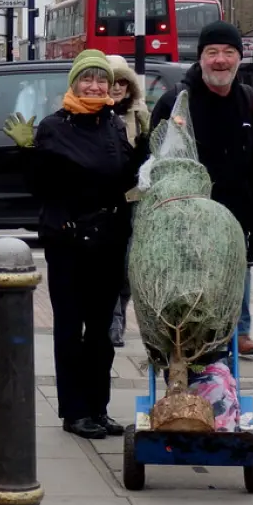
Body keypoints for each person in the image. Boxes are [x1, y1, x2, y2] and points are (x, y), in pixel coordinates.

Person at [3, 49, 148, 440]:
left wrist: (147, 145)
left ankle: (98, 408)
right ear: (74, 83)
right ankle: (74, 411)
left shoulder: (114, 126)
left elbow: (126, 179)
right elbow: (39, 187)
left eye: (102, 80)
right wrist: (26, 152)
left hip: (109, 238)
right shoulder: (54, 126)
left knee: (101, 330)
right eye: (88, 79)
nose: (96, 86)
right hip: (68, 239)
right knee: (70, 327)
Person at [150, 21, 253, 356]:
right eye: (212, 52)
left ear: (239, 57)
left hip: (233, 215)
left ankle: (238, 331)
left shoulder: (248, 102)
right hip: (187, 219)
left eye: (228, 52)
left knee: (235, 274)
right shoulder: (176, 103)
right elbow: (153, 165)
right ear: (200, 57)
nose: (221, 60)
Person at [104, 54, 152, 348]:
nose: (118, 87)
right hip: (104, 201)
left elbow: (147, 161)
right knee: (107, 265)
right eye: (113, 80)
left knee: (127, 267)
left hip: (133, 200)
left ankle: (119, 310)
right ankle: (112, 320)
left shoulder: (138, 114)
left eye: (123, 81)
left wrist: (146, 140)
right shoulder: (96, 114)